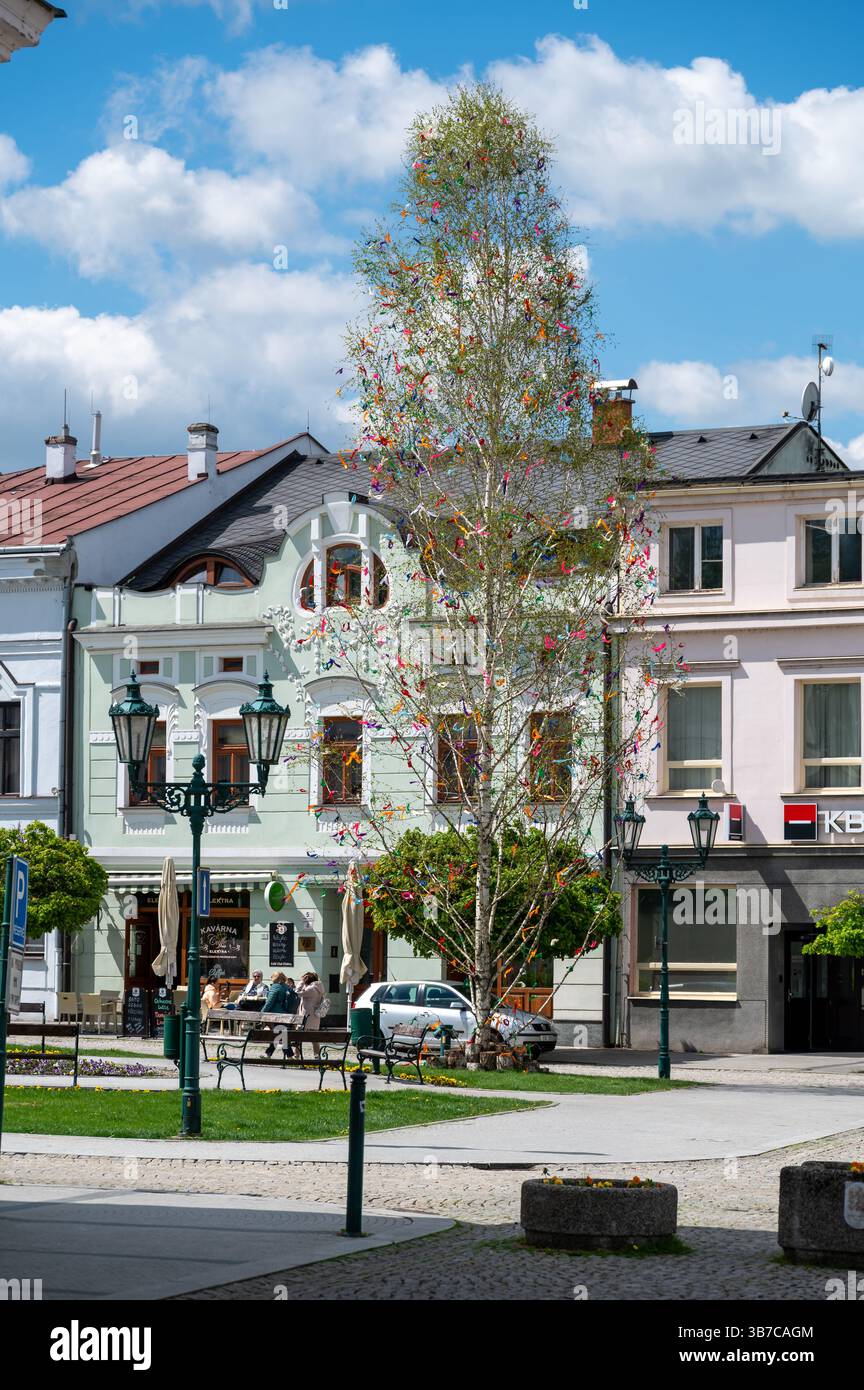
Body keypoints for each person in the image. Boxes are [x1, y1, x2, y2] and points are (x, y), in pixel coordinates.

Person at [262, 972, 299, 1058]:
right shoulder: (287, 987)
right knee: (280, 1035)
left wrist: (261, 1014)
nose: (271, 977)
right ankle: (286, 1054)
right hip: (286, 1015)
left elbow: (269, 1002)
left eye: (272, 976)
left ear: (276, 978)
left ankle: (286, 1054)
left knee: (278, 1034)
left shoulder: (275, 987)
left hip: (276, 1016)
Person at [297, 971, 326, 1056]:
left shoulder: (311, 989)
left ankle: (296, 1056)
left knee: (298, 1037)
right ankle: (316, 1056)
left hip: (306, 1017)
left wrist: (301, 982)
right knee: (314, 1039)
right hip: (315, 1017)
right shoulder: (318, 987)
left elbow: (297, 992)